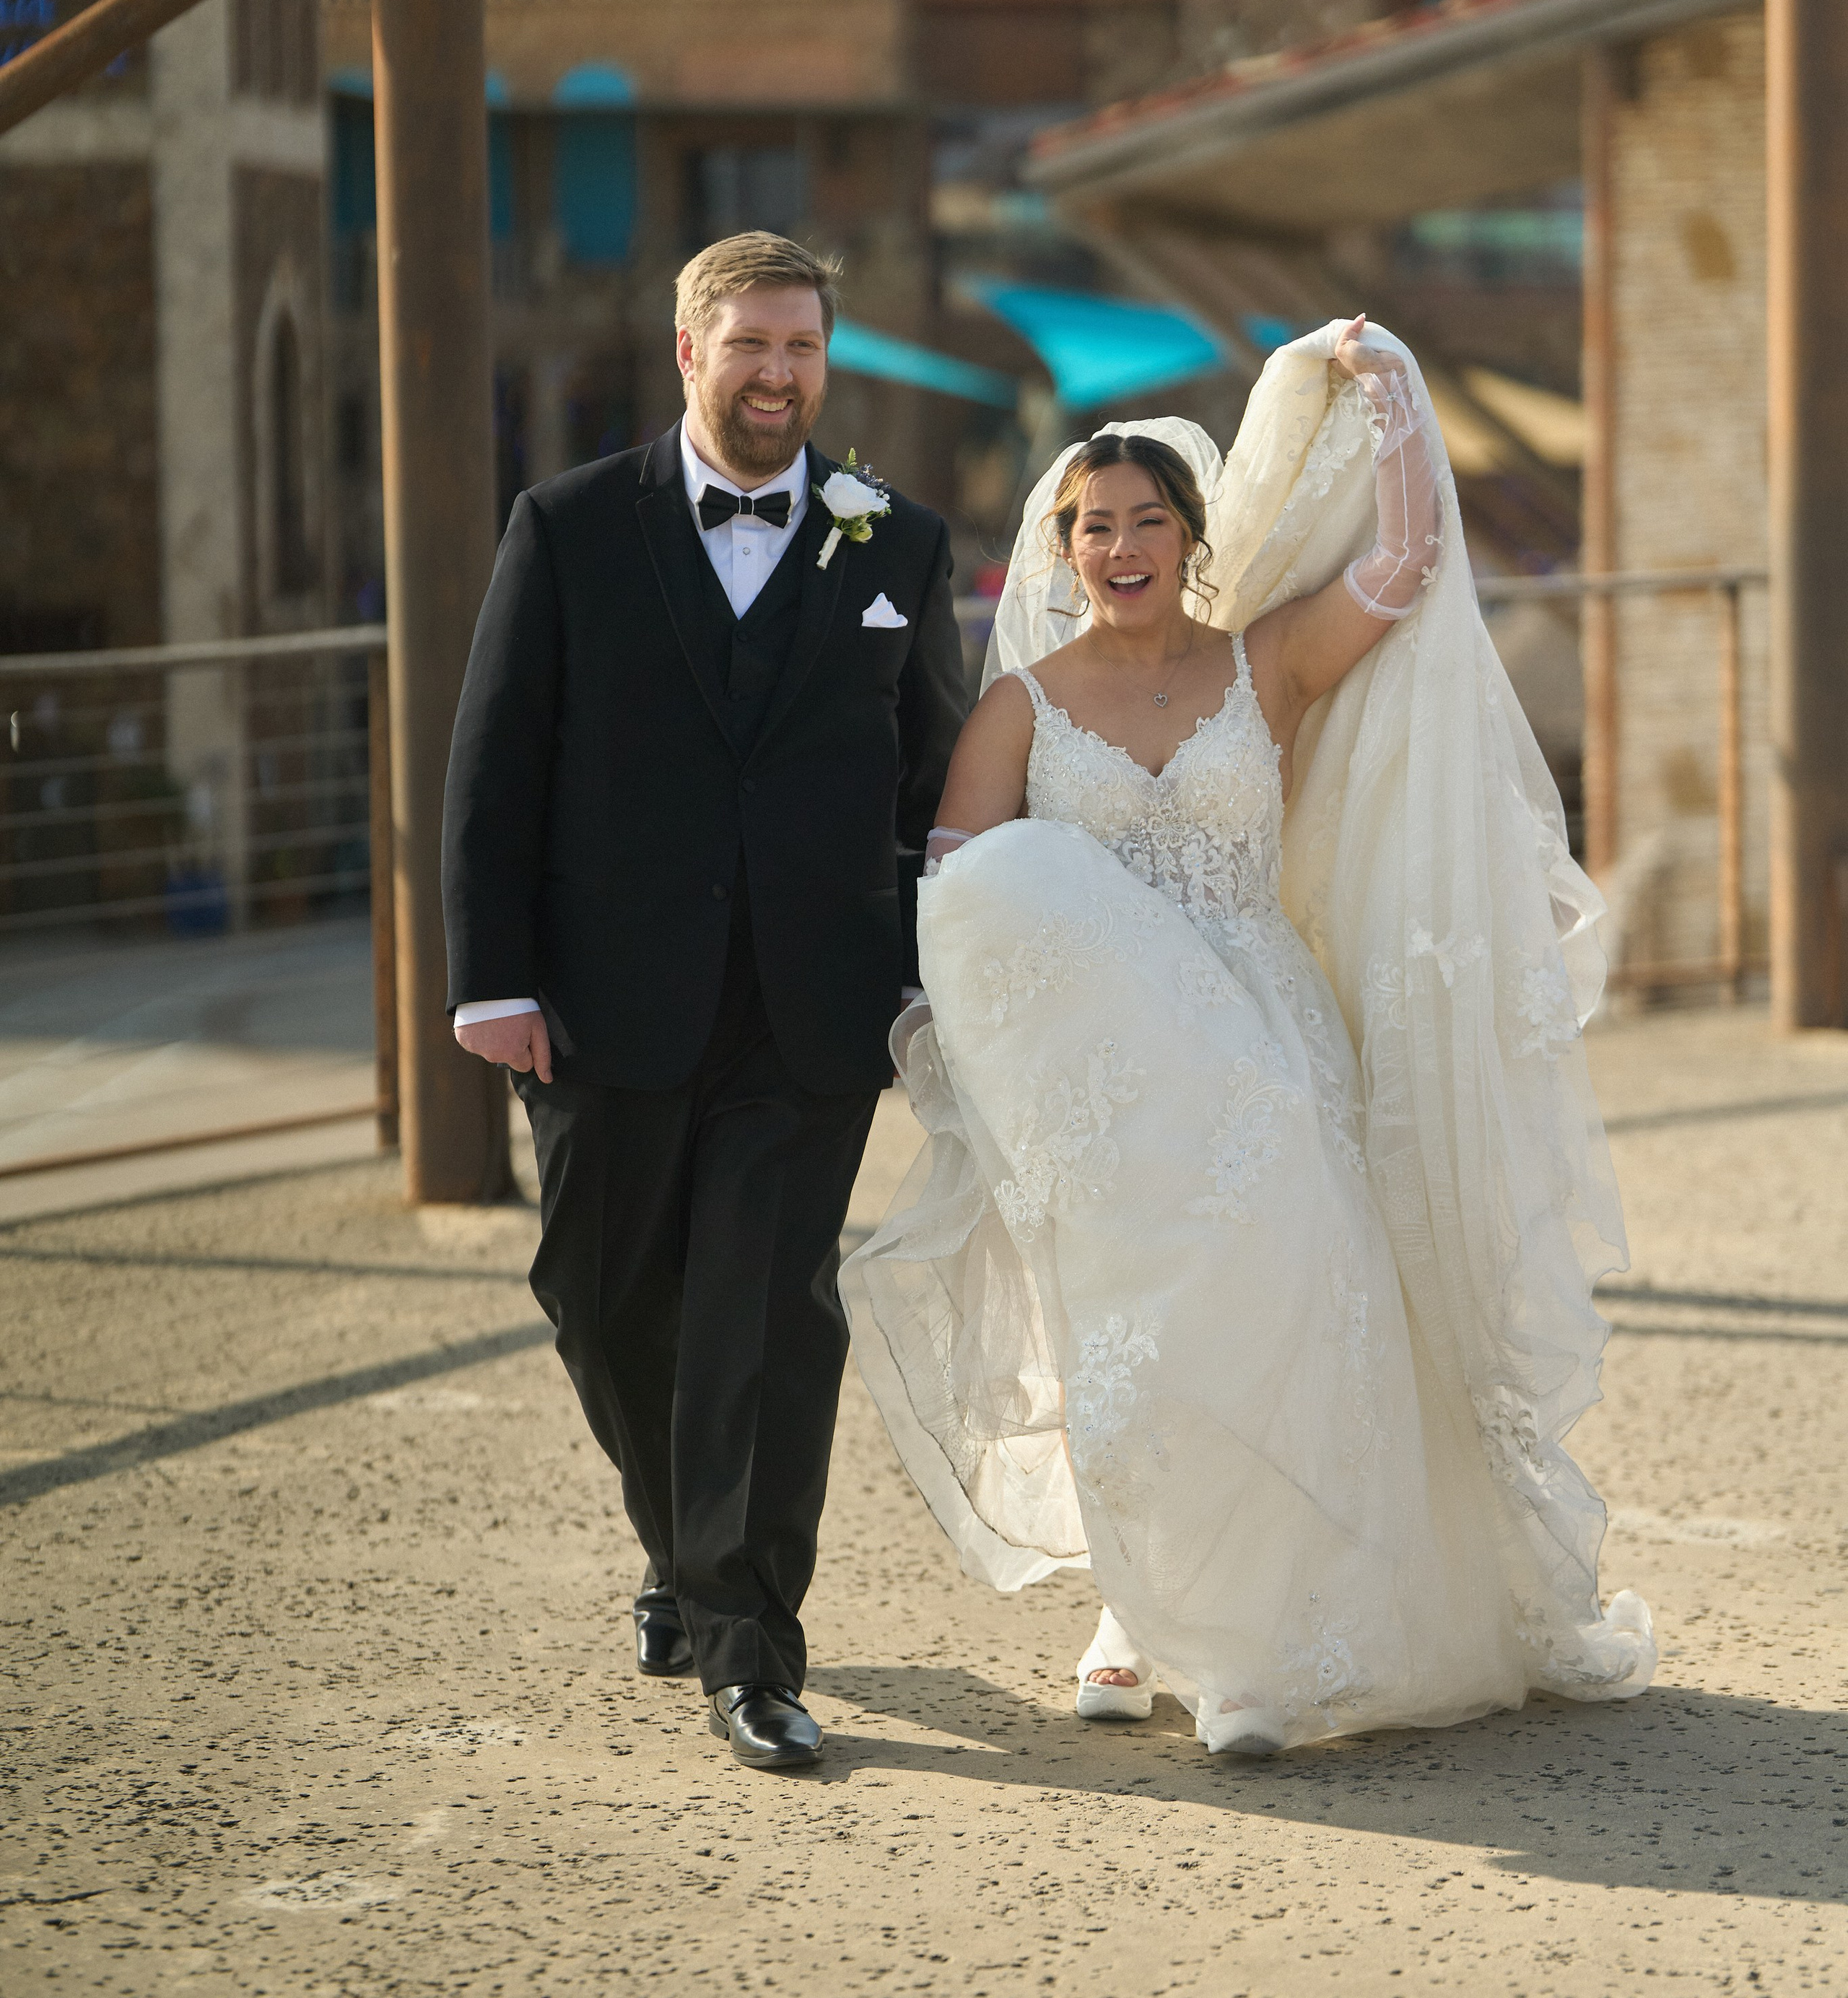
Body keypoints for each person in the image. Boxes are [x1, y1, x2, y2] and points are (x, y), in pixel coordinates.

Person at [843, 317, 1654, 1758]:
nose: (1120, 542)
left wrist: (1391, 385)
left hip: (1268, 1044)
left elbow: (1400, 569)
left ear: (1188, 536)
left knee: (1289, 1305)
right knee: (1126, 1330)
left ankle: (1253, 1645)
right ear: (1060, 547)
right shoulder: (1019, 706)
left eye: (1148, 518)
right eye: (1093, 524)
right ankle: (1135, 1612)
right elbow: (961, 885)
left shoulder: (1262, 663)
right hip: (1106, 1075)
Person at [442, 232, 965, 1771]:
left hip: (811, 1008)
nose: (778, 376)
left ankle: (750, 1642)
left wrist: (944, 971)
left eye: (801, 349)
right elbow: (492, 765)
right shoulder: (567, 526)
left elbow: (934, 783)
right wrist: (492, 979)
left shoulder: (895, 544)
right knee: (599, 1302)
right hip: (602, 996)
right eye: (750, 345)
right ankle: (679, 1547)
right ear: (687, 351)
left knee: (761, 1318)